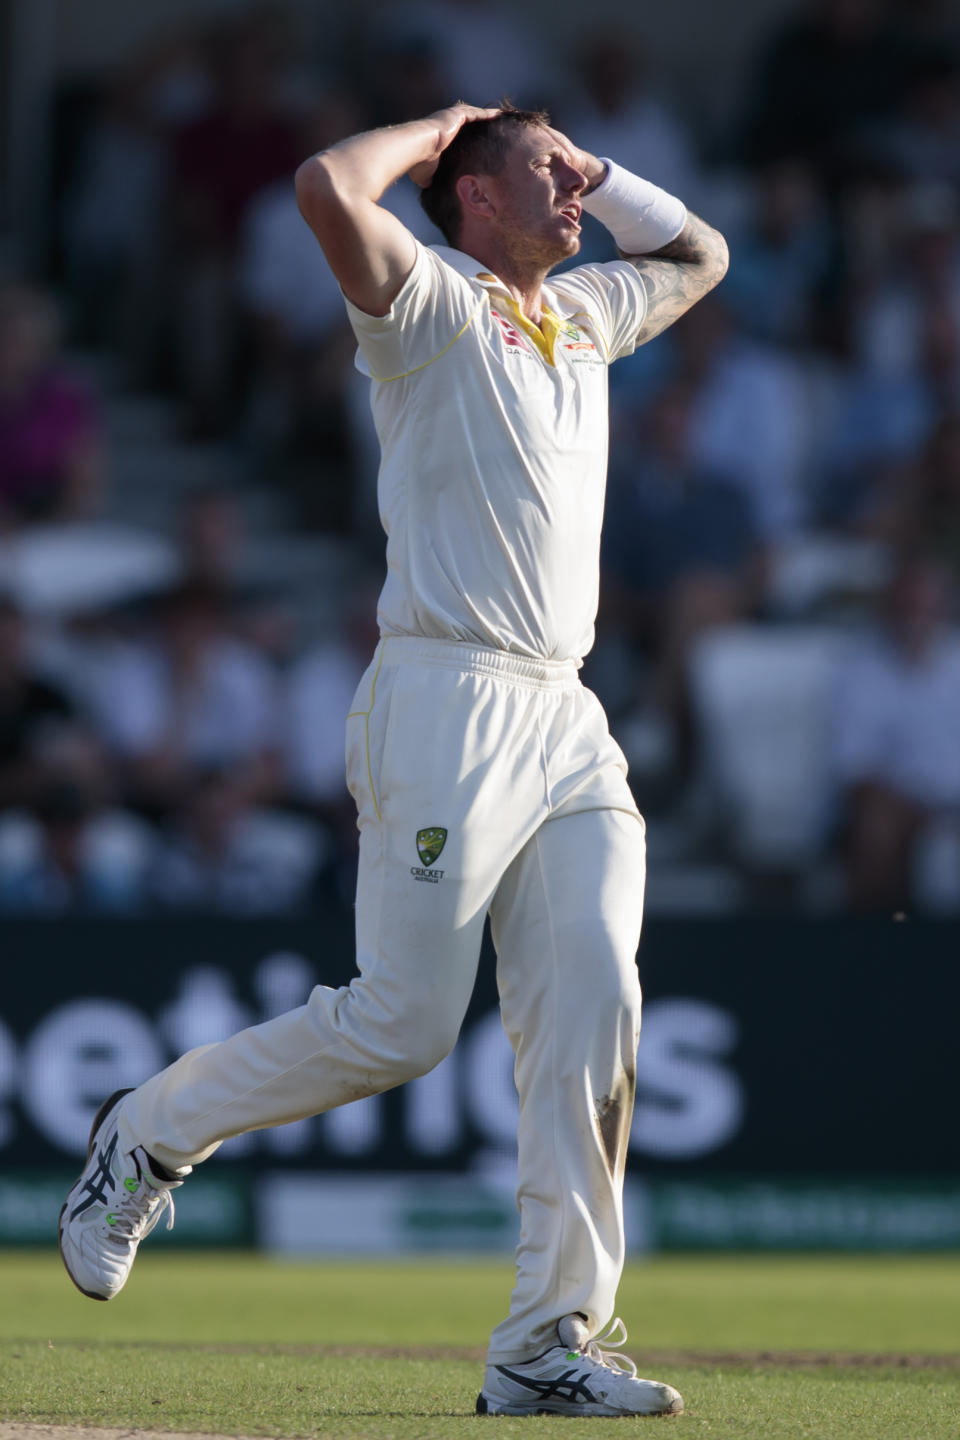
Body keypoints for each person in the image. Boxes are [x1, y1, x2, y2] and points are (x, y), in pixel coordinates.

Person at [58, 101, 727, 1418]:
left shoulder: (586, 313)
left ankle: (546, 1340)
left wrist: (593, 162)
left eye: (576, 174)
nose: (575, 191)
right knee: (403, 1025)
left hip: (567, 714)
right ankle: (144, 1135)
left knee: (594, 1015)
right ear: (472, 195)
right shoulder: (427, 306)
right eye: (546, 171)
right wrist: (445, 127)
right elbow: (321, 185)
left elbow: (698, 254)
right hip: (444, 697)